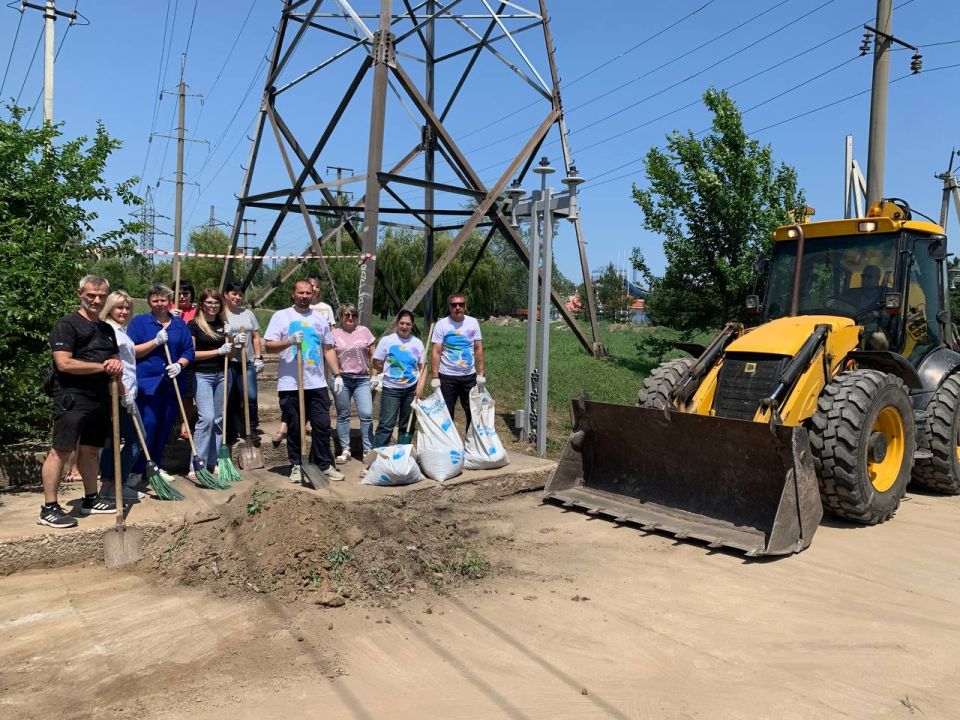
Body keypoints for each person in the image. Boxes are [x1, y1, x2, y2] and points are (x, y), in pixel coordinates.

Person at [38, 275, 121, 528]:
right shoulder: (67, 325)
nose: (96, 300)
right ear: (80, 294)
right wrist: (101, 367)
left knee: (91, 449)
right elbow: (63, 363)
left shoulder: (107, 329)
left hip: (99, 397)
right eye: (91, 295)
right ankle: (49, 508)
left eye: (101, 296)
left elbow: (115, 360)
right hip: (71, 396)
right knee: (61, 450)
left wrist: (116, 367)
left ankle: (90, 499)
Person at [263, 279, 345, 484]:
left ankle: (324, 464)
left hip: (316, 383)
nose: (304, 296)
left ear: (313, 294)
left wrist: (337, 374)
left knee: (322, 425)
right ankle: (297, 465)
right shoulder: (281, 316)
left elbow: (328, 348)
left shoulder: (319, 319)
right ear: (293, 294)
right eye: (301, 293)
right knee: (294, 426)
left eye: (308, 293)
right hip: (291, 383)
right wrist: (289, 341)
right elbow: (269, 346)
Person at [127, 283, 195, 484]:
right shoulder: (139, 323)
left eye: (163, 300)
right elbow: (132, 351)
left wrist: (180, 365)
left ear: (169, 301)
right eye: (155, 300)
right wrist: (155, 343)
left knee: (165, 427)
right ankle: (137, 470)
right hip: (148, 383)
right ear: (149, 301)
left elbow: (188, 351)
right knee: (148, 426)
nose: (159, 304)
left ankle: (155, 467)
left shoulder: (179, 324)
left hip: (172, 384)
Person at [97, 290, 145, 501]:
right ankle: (120, 483)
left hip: (124, 391)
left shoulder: (118, 329)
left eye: (127, 307)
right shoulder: (110, 332)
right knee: (138, 439)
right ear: (110, 308)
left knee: (112, 442)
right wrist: (125, 394)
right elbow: (112, 365)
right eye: (119, 307)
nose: (124, 311)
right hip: (118, 392)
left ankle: (108, 487)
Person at [188, 289, 233, 480]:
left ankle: (212, 463)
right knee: (206, 418)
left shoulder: (224, 325)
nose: (213, 306)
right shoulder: (194, 325)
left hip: (223, 374)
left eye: (216, 302)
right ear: (201, 305)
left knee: (218, 419)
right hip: (202, 375)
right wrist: (218, 351)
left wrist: (234, 343)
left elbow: (229, 356)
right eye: (209, 302)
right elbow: (191, 355)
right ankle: (195, 464)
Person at [430, 292, 485, 431]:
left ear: (465, 306)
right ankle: (449, 446)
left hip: (468, 376)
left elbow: (478, 348)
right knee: (446, 414)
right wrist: (435, 376)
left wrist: (481, 373)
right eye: (454, 305)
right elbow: (436, 351)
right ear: (449, 307)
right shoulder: (442, 324)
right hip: (447, 376)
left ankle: (470, 443)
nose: (458, 307)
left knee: (472, 412)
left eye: (461, 304)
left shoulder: (472, 322)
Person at [371, 310, 425, 448]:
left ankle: (401, 458)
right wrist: (377, 374)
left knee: (406, 426)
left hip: (411, 389)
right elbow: (376, 361)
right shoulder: (387, 341)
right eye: (402, 323)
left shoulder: (417, 343)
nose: (404, 327)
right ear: (397, 323)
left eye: (408, 324)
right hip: (391, 390)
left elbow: (423, 367)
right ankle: (376, 459)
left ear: (412, 325)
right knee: (386, 424)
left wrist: (420, 388)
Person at [331, 303, 376, 463]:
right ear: (341, 317)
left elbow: (374, 354)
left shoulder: (364, 331)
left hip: (362, 379)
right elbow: (329, 354)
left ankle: (367, 449)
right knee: (343, 414)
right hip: (342, 378)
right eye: (347, 315)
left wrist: (376, 374)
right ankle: (345, 449)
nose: (350, 318)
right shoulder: (334, 333)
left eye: (353, 315)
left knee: (366, 414)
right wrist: (335, 375)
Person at [222, 282, 263, 441]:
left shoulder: (248, 314)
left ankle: (250, 429)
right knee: (231, 397)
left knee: (251, 396)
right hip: (229, 361)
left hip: (248, 361)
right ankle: (230, 431)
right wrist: (232, 339)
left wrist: (258, 357)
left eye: (240, 295)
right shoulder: (222, 314)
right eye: (234, 294)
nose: (237, 297)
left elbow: (255, 336)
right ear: (226, 294)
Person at [173, 280, 197, 439]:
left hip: (189, 360)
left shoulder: (196, 312)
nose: (182, 296)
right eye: (178, 293)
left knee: (188, 395)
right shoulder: (166, 310)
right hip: (170, 359)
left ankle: (185, 425)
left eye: (185, 293)